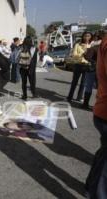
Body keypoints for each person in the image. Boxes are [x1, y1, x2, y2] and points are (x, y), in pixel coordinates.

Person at [85, 29, 107, 199]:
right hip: (104, 111)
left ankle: (90, 187)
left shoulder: (102, 43)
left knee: (103, 155)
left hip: (102, 108)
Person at [67, 31, 92, 103]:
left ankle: (79, 97)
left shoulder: (91, 45)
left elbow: (91, 56)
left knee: (83, 83)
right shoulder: (78, 45)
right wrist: (83, 52)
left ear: (91, 37)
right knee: (74, 82)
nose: (87, 37)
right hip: (78, 65)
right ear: (83, 36)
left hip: (86, 65)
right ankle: (69, 97)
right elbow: (74, 55)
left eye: (89, 36)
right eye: (86, 36)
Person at [81, 31, 103, 109]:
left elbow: (86, 56)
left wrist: (85, 54)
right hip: (100, 70)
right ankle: (98, 106)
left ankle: (85, 104)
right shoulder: (102, 47)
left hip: (92, 69)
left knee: (89, 86)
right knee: (100, 88)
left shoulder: (93, 47)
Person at [18, 36, 38, 100]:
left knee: (24, 82)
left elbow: (17, 58)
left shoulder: (20, 47)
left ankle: (24, 96)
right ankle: (34, 94)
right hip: (31, 68)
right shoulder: (34, 48)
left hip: (22, 67)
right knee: (32, 82)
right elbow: (36, 60)